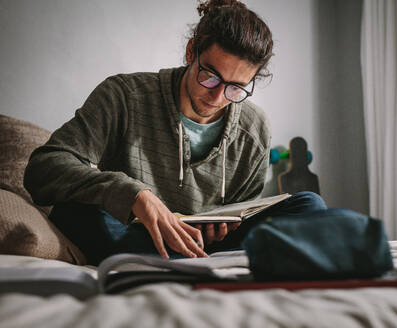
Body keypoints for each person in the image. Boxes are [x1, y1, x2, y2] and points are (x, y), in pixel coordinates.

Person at [24, 0, 327, 265]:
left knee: (309, 205)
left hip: (205, 245)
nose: (218, 97)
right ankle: (182, 259)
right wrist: (133, 194)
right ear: (191, 51)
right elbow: (43, 168)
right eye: (210, 76)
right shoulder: (124, 96)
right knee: (74, 212)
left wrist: (225, 223)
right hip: (136, 231)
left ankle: (187, 260)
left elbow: (244, 212)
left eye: (236, 88)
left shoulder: (255, 129)